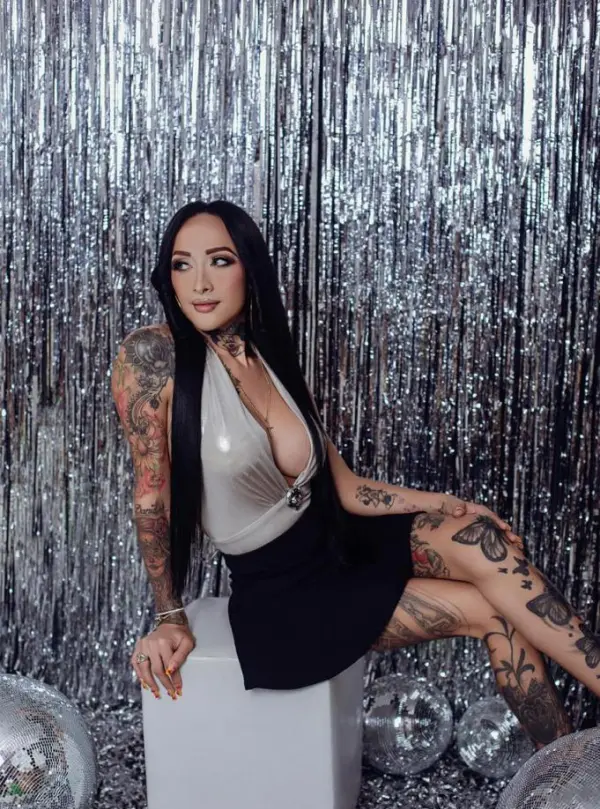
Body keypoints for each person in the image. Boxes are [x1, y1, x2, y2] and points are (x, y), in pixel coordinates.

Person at [111, 199, 598, 750]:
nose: (199, 282)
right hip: (287, 598)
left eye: (219, 260)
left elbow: (345, 487)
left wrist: (451, 505)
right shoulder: (153, 358)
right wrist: (169, 615)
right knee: (496, 613)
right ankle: (564, 773)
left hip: (337, 543)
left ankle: (570, 770)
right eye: (182, 264)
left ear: (249, 267)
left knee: (480, 538)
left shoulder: (266, 355)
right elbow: (151, 499)